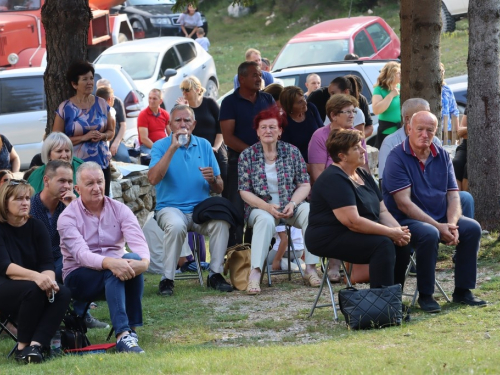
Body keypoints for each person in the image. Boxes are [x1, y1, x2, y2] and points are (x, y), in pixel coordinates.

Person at [382, 111, 486, 313]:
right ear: (409, 129)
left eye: (429, 130)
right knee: (429, 233)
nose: (424, 134)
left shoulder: (442, 155)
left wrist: (452, 224)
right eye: (419, 129)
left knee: (472, 228)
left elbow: (453, 195)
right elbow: (404, 204)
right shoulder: (397, 157)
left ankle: (463, 291)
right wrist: (439, 226)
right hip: (405, 220)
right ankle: (426, 295)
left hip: (439, 217)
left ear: (435, 131)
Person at [58, 162, 150, 353]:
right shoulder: (67, 217)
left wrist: (144, 262)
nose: (96, 188)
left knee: (132, 258)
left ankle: (131, 332)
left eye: (100, 182)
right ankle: (123, 335)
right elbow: (82, 255)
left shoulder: (119, 209)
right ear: (78, 189)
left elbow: (138, 242)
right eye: (90, 183)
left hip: (113, 270)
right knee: (114, 269)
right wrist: (111, 263)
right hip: (78, 276)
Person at [305, 129, 411, 291]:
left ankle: (393, 299)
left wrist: (398, 232)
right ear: (342, 156)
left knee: (400, 244)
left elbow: (382, 212)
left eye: (361, 145)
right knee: (382, 244)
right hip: (329, 237)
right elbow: (352, 221)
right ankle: (381, 302)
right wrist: (389, 233)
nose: (363, 150)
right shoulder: (334, 178)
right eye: (356, 148)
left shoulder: (362, 173)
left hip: (354, 232)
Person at [148, 105, 232, 296]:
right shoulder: (160, 146)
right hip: (170, 209)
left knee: (220, 222)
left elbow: (219, 187)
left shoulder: (204, 145)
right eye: (178, 120)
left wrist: (213, 179)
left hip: (200, 211)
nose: (182, 124)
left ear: (193, 125)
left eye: (187, 121)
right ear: (170, 125)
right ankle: (167, 279)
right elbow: (153, 179)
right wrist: (172, 148)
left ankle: (215, 275)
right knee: (176, 225)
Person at [238, 106, 320, 294]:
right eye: (264, 127)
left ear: (280, 131)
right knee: (266, 220)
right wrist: (266, 206)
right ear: (257, 132)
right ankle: (255, 274)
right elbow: (244, 191)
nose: (268, 131)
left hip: (290, 205)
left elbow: (304, 184)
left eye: (273, 127)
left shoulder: (292, 152)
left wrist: (293, 203)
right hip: (260, 208)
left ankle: (310, 269)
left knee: (310, 212)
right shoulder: (247, 156)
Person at [29, 160, 109, 329]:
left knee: (81, 261)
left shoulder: (72, 206)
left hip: (63, 260)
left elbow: (88, 240)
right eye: (61, 181)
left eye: (70, 182)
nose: (67, 186)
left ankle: (81, 314)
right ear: (46, 181)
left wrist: (74, 208)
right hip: (36, 263)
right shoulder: (29, 207)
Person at [0, 178, 71, 363]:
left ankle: (36, 346)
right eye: (18, 199)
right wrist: (38, 279)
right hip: (4, 286)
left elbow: (47, 263)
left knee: (61, 292)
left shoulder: (37, 226)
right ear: (4, 202)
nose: (25, 203)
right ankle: (22, 349)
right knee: (34, 289)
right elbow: (6, 267)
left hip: (32, 285)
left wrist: (48, 281)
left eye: (27, 198)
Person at [378, 98, 475, 219]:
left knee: (465, 198)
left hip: (435, 196)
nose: (428, 117)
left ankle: (457, 232)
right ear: (408, 120)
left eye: (429, 113)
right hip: (409, 199)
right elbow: (383, 182)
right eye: (422, 114)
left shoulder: (434, 141)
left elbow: (444, 177)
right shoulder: (391, 143)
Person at [308, 94, 367, 282]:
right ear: (333, 115)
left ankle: (361, 264)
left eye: (354, 111)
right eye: (347, 112)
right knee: (342, 209)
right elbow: (317, 173)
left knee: (369, 207)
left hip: (353, 186)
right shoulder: (320, 136)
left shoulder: (356, 136)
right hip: (327, 192)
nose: (352, 115)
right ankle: (335, 263)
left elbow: (363, 169)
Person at [220, 61, 275, 245]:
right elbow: (228, 138)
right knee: (236, 210)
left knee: (262, 208)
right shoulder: (229, 102)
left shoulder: (267, 100)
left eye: (260, 75)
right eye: (254, 75)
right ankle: (236, 256)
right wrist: (253, 153)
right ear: (241, 78)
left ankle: (254, 253)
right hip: (239, 163)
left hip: (266, 163)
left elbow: (276, 128)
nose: (259, 78)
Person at [53, 61, 115, 196]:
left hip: (101, 164)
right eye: (85, 79)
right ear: (74, 84)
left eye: (91, 78)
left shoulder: (102, 104)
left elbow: (111, 131)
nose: (90, 82)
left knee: (102, 202)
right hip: (76, 167)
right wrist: (83, 137)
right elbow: (55, 140)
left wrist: (102, 136)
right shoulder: (65, 108)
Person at [176, 76, 227, 188]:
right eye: (182, 89)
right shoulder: (182, 109)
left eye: (187, 89)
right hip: (196, 151)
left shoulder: (210, 103)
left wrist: (215, 147)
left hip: (215, 148)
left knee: (224, 178)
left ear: (197, 90)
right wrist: (185, 108)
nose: (184, 92)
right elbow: (177, 131)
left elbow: (221, 128)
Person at [307, 77, 373, 131]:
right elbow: (327, 132)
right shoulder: (331, 111)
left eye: (333, 93)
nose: (330, 97)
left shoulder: (358, 112)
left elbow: (360, 137)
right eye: (329, 94)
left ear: (346, 92)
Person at [279, 86, 322, 163]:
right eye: (299, 102)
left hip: (321, 158)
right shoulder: (284, 122)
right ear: (289, 106)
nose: (305, 103)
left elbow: (322, 131)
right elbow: (287, 152)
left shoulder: (311, 108)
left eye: (304, 99)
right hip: (301, 164)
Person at [96, 79, 131, 163]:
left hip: (115, 139)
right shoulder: (93, 103)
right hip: (100, 141)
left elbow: (123, 125)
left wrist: (116, 143)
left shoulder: (117, 102)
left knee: (124, 157)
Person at [372, 61, 401, 149]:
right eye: (398, 73)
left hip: (401, 131)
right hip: (387, 132)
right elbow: (376, 110)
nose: (401, 75)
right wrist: (391, 95)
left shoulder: (400, 86)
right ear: (391, 74)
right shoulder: (379, 89)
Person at [137, 89, 170, 155]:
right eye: (150, 98)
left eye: (154, 99)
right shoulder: (143, 115)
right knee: (157, 157)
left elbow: (171, 133)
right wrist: (157, 148)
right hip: (148, 147)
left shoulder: (165, 114)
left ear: (160, 101)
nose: (151, 101)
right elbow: (144, 139)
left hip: (163, 146)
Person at [440, 63, 460, 145]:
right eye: (439, 71)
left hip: (447, 132)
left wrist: (457, 132)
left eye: (442, 71)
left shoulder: (446, 89)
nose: (441, 73)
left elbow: (454, 111)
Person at [453, 109, 469, 191]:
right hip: (466, 145)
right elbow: (460, 132)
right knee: (456, 163)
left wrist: (467, 130)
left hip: (486, 148)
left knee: (469, 167)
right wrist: (476, 129)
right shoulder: (472, 103)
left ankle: (466, 197)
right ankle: (459, 197)